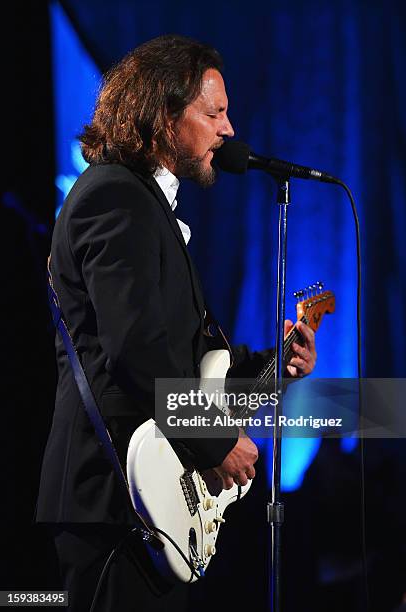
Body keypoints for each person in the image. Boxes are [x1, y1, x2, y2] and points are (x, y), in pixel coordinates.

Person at [37, 35, 317, 611]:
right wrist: (216, 444)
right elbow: (136, 352)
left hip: (147, 506)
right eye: (214, 113)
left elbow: (187, 365)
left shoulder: (144, 204)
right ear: (163, 116)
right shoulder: (114, 196)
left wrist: (274, 366)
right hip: (113, 501)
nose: (229, 129)